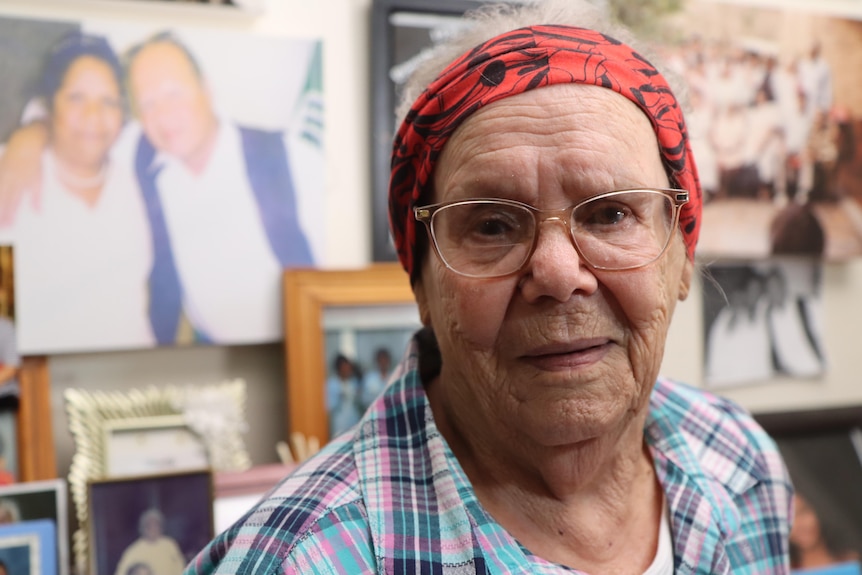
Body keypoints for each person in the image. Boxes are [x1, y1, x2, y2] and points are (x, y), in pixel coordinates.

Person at [188, 1, 792, 573]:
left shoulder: (738, 463)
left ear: (681, 257)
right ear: (421, 280)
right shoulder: (296, 560)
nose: (556, 274)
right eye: (493, 225)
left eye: (609, 214)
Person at [126, 31, 315, 344]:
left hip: (299, 353)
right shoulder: (149, 170)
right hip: (212, 357)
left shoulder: (285, 155)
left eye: (174, 93)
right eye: (148, 104)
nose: (163, 115)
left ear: (206, 89)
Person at [0, 32, 154, 353]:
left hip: (134, 383)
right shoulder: (11, 176)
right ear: (49, 103)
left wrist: (34, 129)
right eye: (76, 98)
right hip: (42, 388)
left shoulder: (135, 167)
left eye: (108, 101)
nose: (93, 116)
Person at [114, 508, 185, 575]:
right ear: (143, 528)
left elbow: (180, 566)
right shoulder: (133, 550)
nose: (153, 529)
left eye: (156, 525)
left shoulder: (170, 544)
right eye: (149, 525)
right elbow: (121, 572)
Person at [324, 353, 363, 438]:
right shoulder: (332, 384)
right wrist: (339, 397)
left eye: (348, 368)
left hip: (353, 422)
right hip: (339, 424)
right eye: (344, 368)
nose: (347, 370)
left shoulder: (353, 382)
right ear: (339, 368)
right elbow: (327, 406)